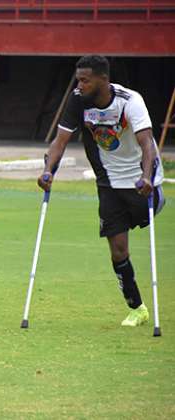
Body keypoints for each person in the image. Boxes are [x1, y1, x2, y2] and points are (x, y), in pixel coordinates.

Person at [38, 55, 165, 327]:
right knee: (118, 250)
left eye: (85, 80)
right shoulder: (77, 100)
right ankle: (137, 308)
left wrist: (146, 178)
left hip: (140, 182)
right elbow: (60, 141)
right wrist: (48, 171)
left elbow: (148, 146)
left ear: (103, 80)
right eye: (78, 80)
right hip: (108, 183)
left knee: (143, 217)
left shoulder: (130, 101)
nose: (80, 85)